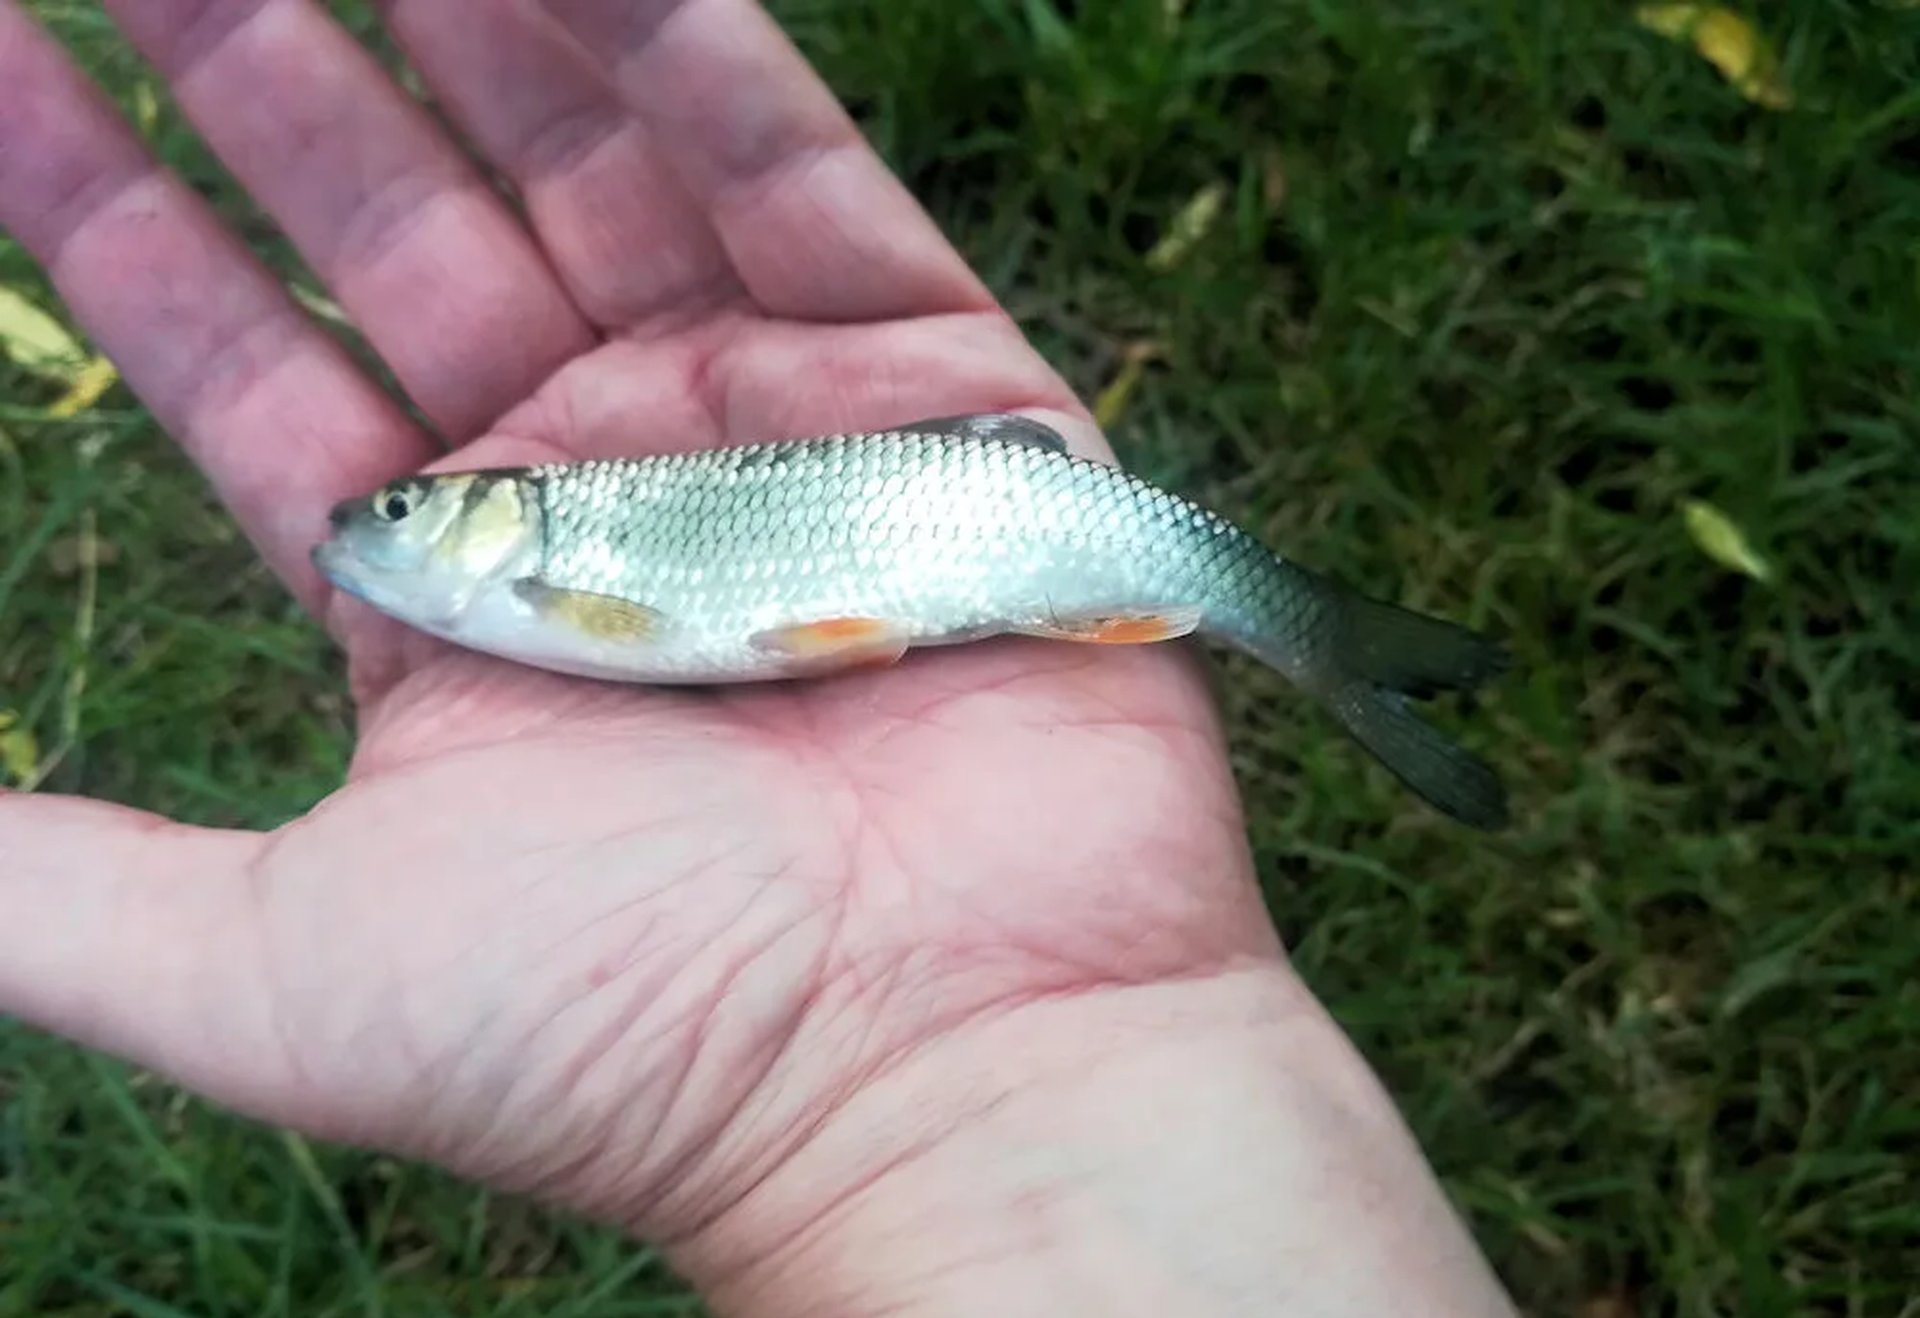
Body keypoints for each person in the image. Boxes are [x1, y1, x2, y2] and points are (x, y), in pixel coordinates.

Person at [0, 1, 1521, 1312]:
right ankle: (1335, 642)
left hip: (1007, 523)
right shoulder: (554, 557)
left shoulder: (562, 553)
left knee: (1201, 589)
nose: (372, 527)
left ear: (485, 515)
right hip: (996, 522)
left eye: (402, 509)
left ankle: (1322, 635)